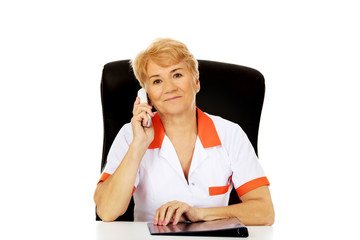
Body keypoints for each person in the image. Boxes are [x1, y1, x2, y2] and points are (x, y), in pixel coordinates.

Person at [93, 38, 275, 226]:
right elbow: (107, 211)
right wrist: (138, 145)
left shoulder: (230, 134)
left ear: (196, 82)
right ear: (148, 96)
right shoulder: (131, 135)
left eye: (177, 75)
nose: (169, 88)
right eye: (157, 81)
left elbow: (264, 212)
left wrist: (198, 213)